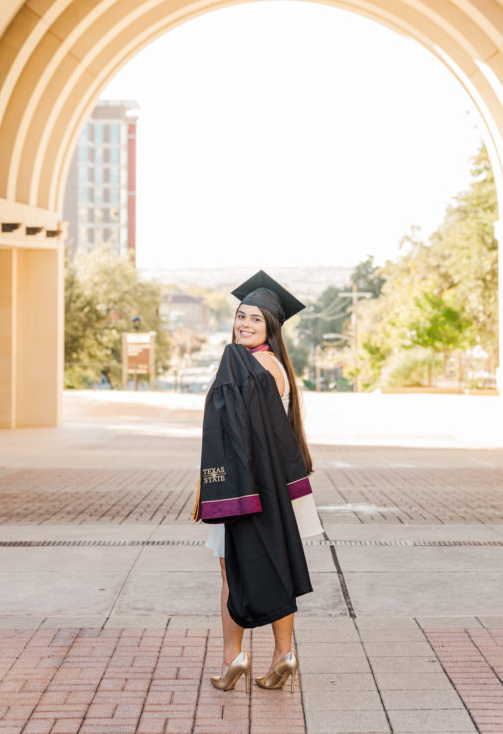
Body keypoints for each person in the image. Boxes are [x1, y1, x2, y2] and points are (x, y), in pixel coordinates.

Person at [194, 270, 323, 694]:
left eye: (255, 320)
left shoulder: (244, 363)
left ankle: (234, 659)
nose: (244, 325)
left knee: (234, 574)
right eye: (240, 317)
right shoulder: (279, 366)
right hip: (282, 485)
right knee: (278, 568)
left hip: (247, 487)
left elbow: (232, 434)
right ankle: (283, 654)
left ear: (271, 326)